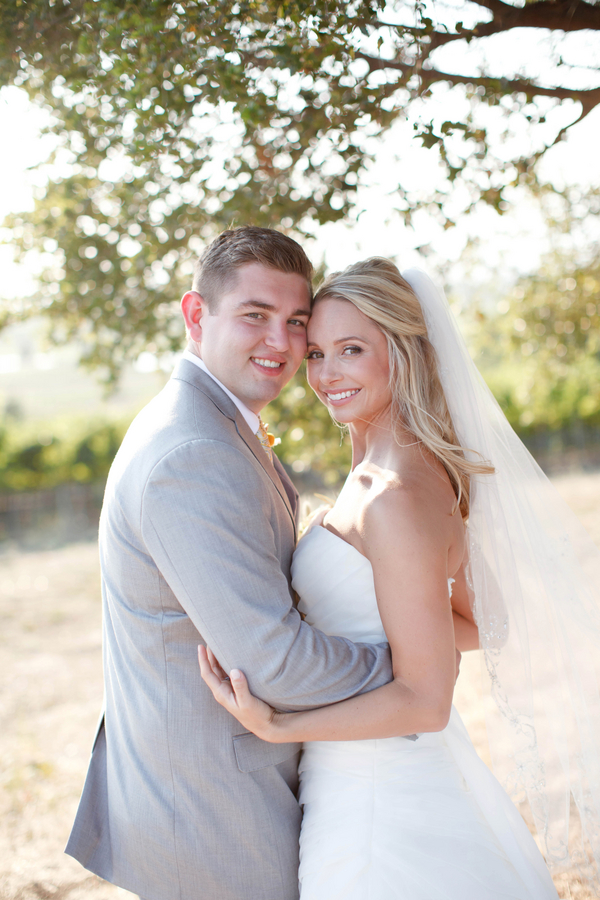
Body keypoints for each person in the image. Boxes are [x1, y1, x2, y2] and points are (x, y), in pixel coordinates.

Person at [66, 229, 460, 900]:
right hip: (214, 810)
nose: (281, 343)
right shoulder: (191, 451)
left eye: (295, 323)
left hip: (248, 783)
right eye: (255, 315)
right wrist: (419, 666)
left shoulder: (220, 427)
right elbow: (272, 663)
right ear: (197, 315)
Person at [200, 258, 599, 897]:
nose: (327, 375)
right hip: (372, 777)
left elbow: (428, 702)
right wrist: (397, 651)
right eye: (318, 354)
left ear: (404, 354)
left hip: (381, 804)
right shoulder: (388, 471)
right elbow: (472, 621)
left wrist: (278, 724)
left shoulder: (395, 498)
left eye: (351, 350)